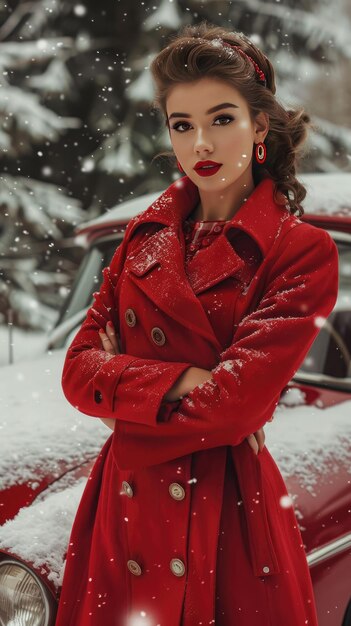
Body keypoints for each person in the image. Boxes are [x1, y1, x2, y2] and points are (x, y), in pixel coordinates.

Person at [55, 21, 339, 626]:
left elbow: (238, 406)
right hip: (125, 511)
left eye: (222, 119)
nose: (201, 144)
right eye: (182, 125)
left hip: (228, 509)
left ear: (260, 125)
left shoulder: (300, 250)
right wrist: (187, 380)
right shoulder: (143, 235)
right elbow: (77, 371)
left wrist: (123, 402)